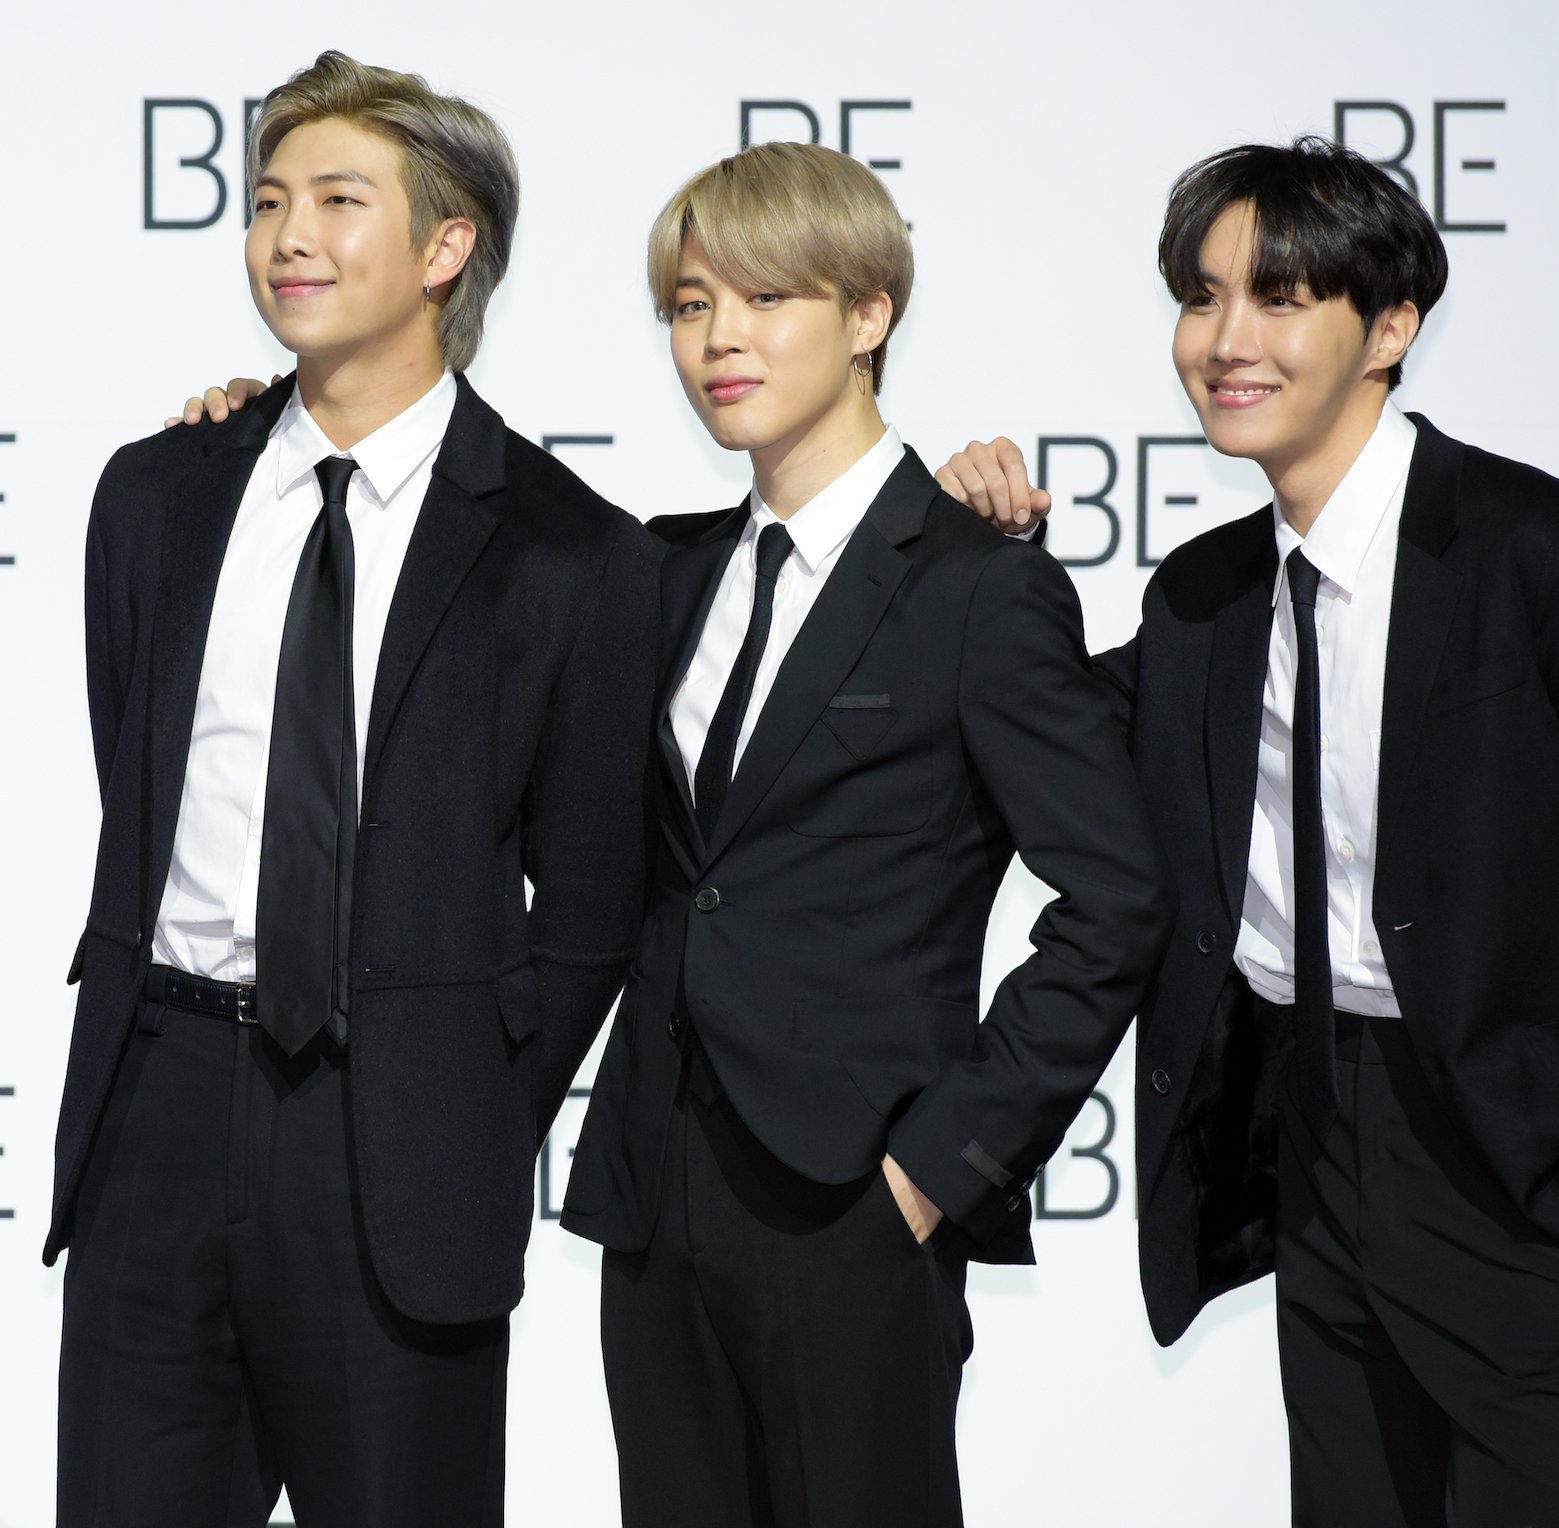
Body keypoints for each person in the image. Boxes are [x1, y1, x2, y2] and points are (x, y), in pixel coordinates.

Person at [938, 136, 1559, 1527]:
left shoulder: (1538, 550)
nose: (1225, 341)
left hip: (1523, 1169)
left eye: (1279, 298)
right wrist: (994, 570)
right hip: (1314, 1147)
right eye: (1202, 298)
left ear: (1390, 329)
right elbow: (1052, 755)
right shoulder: (1203, 594)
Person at [49, 51, 657, 1527]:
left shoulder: (571, 553)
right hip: (157, 1111)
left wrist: (466, 1108)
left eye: (337, 200)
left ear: (447, 247)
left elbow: (591, 906)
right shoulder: (155, 493)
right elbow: (134, 770)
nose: (288, 238)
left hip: (401, 1147)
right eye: (268, 202)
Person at [546, 141, 1169, 1526]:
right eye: (690, 305)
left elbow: (1118, 899)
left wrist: (940, 1167)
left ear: (870, 313)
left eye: (765, 298)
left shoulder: (977, 589)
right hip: (655, 1190)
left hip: (856, 1201)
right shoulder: (662, 569)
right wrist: (262, 434)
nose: (719, 338)